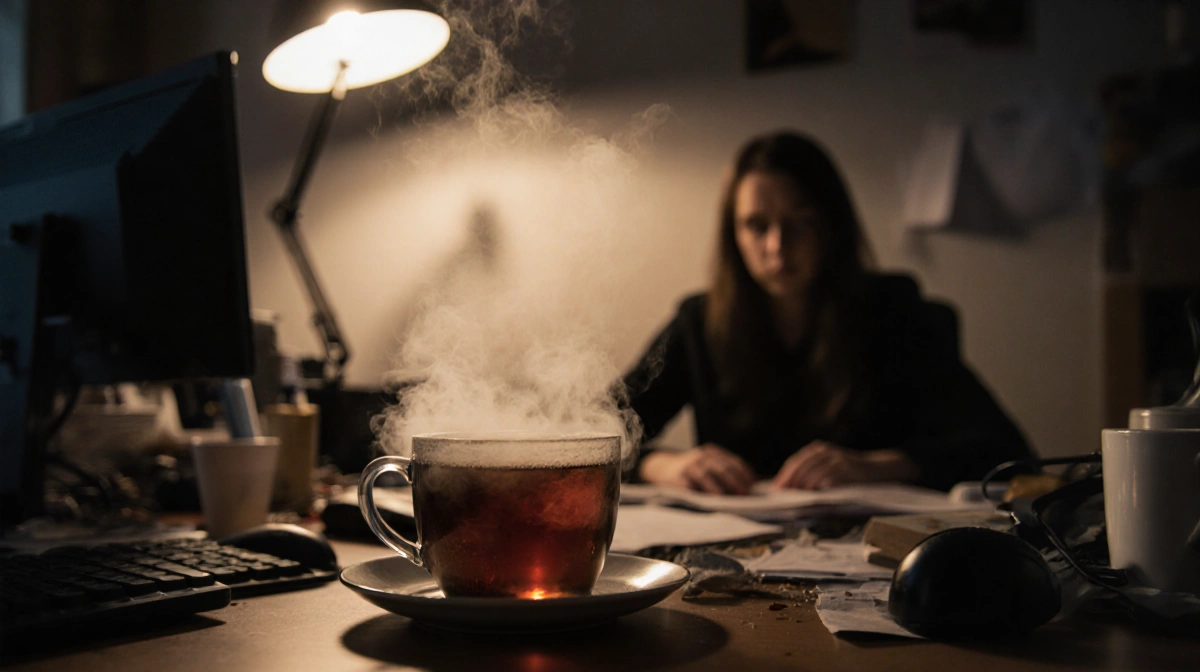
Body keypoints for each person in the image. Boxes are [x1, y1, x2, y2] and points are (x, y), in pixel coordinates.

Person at [623, 130, 1032, 494]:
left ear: (832, 226)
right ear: (733, 234)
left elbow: (1000, 448)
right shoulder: (700, 322)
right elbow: (597, 434)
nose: (777, 246)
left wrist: (876, 466)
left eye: (800, 222)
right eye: (756, 225)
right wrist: (667, 465)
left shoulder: (894, 312)